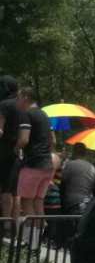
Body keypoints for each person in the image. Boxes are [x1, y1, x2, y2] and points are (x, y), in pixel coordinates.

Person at [15, 88, 54, 245]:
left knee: (27, 202)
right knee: (38, 202)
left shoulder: (26, 114)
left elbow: (24, 140)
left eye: (18, 97)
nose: (17, 101)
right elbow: (53, 140)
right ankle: (37, 243)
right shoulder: (44, 115)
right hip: (47, 165)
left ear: (25, 97)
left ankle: (28, 241)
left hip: (33, 165)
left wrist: (15, 149)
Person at [0, 76, 26, 235]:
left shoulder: (3, 105)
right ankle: (13, 228)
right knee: (14, 192)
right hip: (17, 154)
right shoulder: (22, 106)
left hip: (3, 153)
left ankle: (4, 226)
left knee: (5, 192)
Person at [61, 143, 95, 214]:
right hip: (87, 203)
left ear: (74, 151)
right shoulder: (91, 167)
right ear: (85, 153)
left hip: (71, 203)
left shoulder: (69, 165)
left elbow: (63, 183)